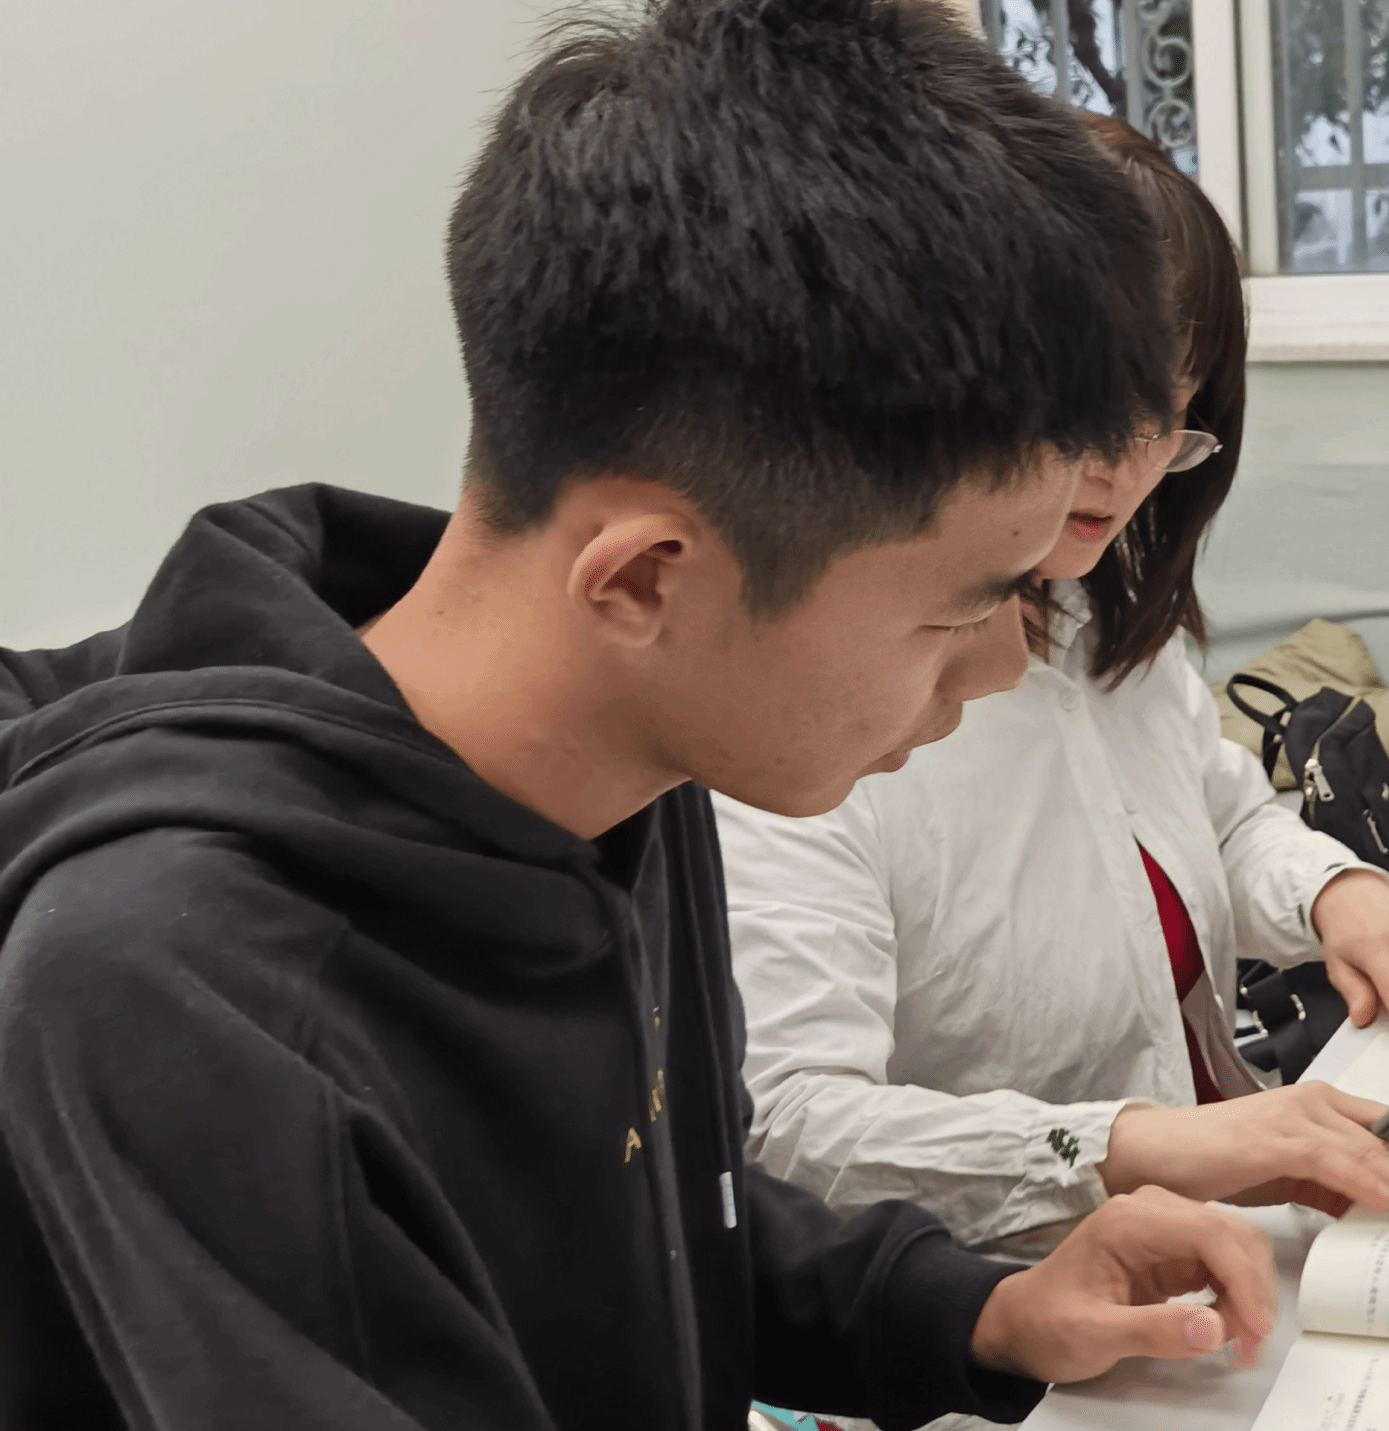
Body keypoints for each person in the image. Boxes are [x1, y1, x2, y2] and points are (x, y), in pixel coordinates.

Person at [0, 4, 1285, 1427]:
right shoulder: (191, 994)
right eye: (962, 605)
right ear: (646, 579)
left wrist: (972, 1308)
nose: (993, 671)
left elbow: (682, 1223)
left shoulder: (630, 757)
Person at [715, 117, 1389, 1254]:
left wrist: (1335, 893)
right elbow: (790, 1127)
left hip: (1230, 1209)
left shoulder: (1104, 623)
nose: (1122, 468)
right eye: (1084, 413)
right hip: (1015, 1281)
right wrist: (1129, 1145)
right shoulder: (806, 721)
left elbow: (1217, 812)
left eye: (1169, 416)